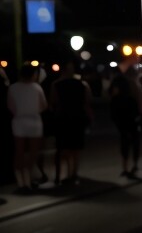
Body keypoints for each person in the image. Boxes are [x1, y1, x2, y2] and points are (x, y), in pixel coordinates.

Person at [49, 58, 93, 185]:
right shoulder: (82, 84)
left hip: (62, 118)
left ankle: (63, 174)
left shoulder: (56, 84)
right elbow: (87, 101)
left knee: (63, 147)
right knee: (76, 148)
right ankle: (73, 173)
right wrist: (89, 117)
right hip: (77, 117)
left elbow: (52, 102)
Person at [7, 63, 48, 193]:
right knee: (32, 153)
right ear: (33, 74)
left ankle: (21, 182)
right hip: (35, 122)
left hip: (19, 121)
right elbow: (43, 105)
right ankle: (28, 179)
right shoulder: (37, 88)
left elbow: (10, 106)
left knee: (19, 152)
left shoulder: (13, 88)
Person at [108, 55, 142, 177]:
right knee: (134, 140)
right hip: (133, 116)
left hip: (122, 116)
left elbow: (112, 97)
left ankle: (125, 166)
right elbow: (140, 100)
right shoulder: (134, 84)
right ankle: (134, 164)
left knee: (125, 141)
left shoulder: (120, 83)